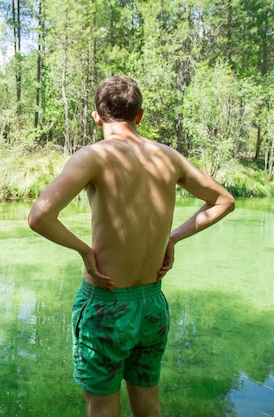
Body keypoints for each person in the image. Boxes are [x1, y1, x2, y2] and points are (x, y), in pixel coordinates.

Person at [28, 75, 235, 417]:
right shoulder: (169, 157)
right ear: (140, 116)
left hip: (106, 305)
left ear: (96, 116)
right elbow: (223, 201)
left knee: (102, 408)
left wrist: (84, 251)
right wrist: (173, 237)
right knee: (149, 406)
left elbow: (39, 217)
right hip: (152, 306)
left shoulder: (93, 156)